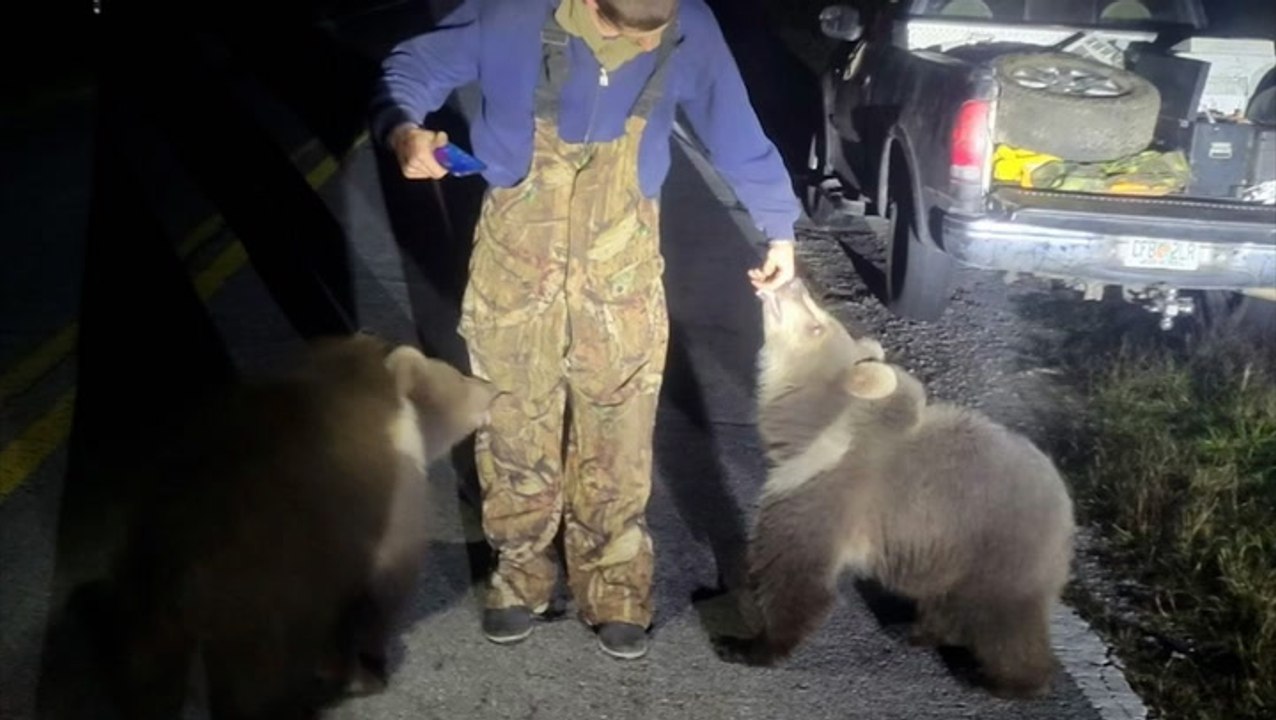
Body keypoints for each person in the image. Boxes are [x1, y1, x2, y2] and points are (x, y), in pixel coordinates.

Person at [370, 0, 801, 660]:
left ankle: (617, 587)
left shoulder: (689, 23)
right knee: (512, 417)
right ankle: (519, 577)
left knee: (621, 423)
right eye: (621, 29)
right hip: (515, 253)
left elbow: (731, 121)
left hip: (622, 257)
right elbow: (414, 66)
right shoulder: (509, 12)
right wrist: (404, 129)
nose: (641, 43)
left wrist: (779, 228)